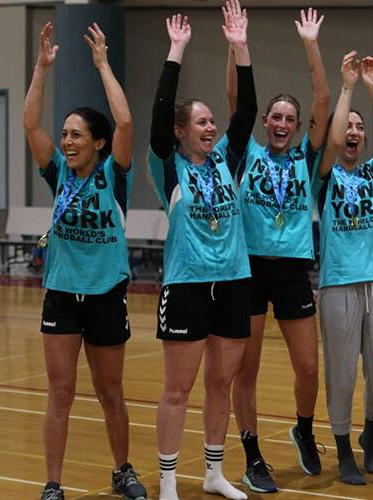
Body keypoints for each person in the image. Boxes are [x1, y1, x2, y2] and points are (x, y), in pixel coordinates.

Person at [23, 21, 145, 500]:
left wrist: (102, 65)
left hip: (106, 294)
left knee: (110, 393)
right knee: (60, 394)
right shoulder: (58, 173)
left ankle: (122, 471)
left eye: (77, 135)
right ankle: (53, 483)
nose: (67, 142)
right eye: (65, 135)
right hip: (61, 294)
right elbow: (31, 125)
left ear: (98, 142)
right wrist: (41, 68)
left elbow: (126, 123)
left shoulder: (115, 175)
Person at [147, 5, 256, 499]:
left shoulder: (228, 160)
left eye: (213, 121)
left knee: (221, 385)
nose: (211, 128)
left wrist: (240, 47)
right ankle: (169, 480)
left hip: (233, 280)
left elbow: (246, 112)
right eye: (201, 122)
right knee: (178, 389)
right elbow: (157, 117)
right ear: (180, 130)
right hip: (187, 283)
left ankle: (214, 473)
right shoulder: (168, 166)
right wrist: (176, 52)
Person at [224, 7, 330, 493]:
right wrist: (235, 44)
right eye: (277, 117)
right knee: (245, 370)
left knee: (308, 366)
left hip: (293, 271)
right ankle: (252, 455)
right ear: (266, 121)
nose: (283, 123)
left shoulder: (306, 156)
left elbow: (323, 100)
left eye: (290, 118)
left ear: (297, 125)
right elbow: (234, 100)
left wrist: (311, 44)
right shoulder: (247, 153)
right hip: (247, 269)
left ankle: (304, 430)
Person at [315, 51, 373, 485]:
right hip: (339, 285)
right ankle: (344, 448)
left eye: (358, 127)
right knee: (342, 374)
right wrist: (346, 87)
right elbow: (330, 143)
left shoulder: (371, 174)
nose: (353, 132)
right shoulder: (325, 175)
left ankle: (371, 434)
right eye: (347, 126)